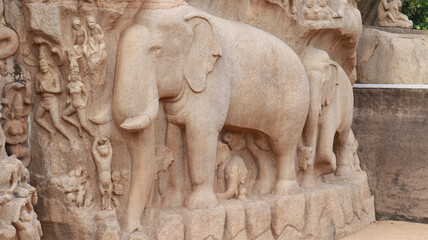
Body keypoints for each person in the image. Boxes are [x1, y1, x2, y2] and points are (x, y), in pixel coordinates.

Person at [34, 51, 72, 141]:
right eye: (41, 66)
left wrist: (46, 89)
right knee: (37, 118)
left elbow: (58, 90)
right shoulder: (38, 76)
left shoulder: (54, 75)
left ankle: (70, 138)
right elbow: (36, 90)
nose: (43, 68)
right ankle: (51, 131)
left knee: (57, 123)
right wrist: (40, 89)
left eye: (44, 65)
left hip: (52, 101)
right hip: (43, 101)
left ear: (48, 65)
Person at [62, 66, 93, 137]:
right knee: (63, 115)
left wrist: (85, 103)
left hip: (79, 105)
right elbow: (68, 94)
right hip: (72, 105)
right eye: (73, 74)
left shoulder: (80, 84)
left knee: (84, 124)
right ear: (70, 75)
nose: (74, 76)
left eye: (75, 74)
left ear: (78, 75)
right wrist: (68, 99)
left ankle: (92, 134)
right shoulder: (69, 85)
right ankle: (77, 125)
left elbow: (86, 94)